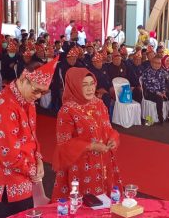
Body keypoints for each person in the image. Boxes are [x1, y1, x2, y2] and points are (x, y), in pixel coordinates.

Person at [0, 60, 57, 218]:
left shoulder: (28, 101)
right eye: (37, 90)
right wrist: (33, 171)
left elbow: (32, 135)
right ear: (24, 78)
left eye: (43, 93)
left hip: (24, 176)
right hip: (8, 181)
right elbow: (9, 155)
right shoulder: (3, 106)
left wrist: (38, 159)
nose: (38, 96)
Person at [51, 68, 122, 200]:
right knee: (84, 205)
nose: (90, 88)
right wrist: (91, 146)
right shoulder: (67, 110)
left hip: (104, 161)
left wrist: (113, 139)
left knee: (105, 204)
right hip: (81, 166)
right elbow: (64, 143)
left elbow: (108, 129)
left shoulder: (99, 104)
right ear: (75, 86)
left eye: (92, 83)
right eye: (84, 85)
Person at [142, 56, 168, 125]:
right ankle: (160, 118)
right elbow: (147, 86)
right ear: (151, 63)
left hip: (159, 92)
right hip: (149, 93)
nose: (157, 65)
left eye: (159, 63)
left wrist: (163, 92)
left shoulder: (161, 72)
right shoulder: (147, 72)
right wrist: (158, 93)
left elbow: (163, 84)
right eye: (155, 63)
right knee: (159, 98)